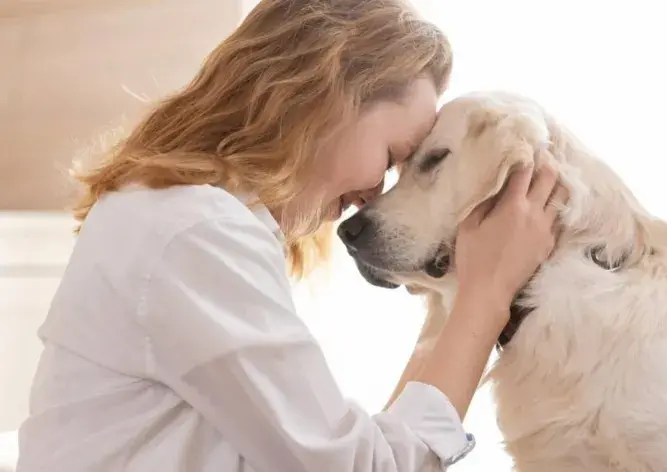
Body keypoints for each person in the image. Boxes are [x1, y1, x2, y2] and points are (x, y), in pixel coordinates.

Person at [16, 1, 565, 471]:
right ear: (327, 96)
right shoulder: (196, 232)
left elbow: (359, 449)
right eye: (393, 157)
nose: (375, 194)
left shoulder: (178, 214)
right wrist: (485, 299)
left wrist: (453, 298)